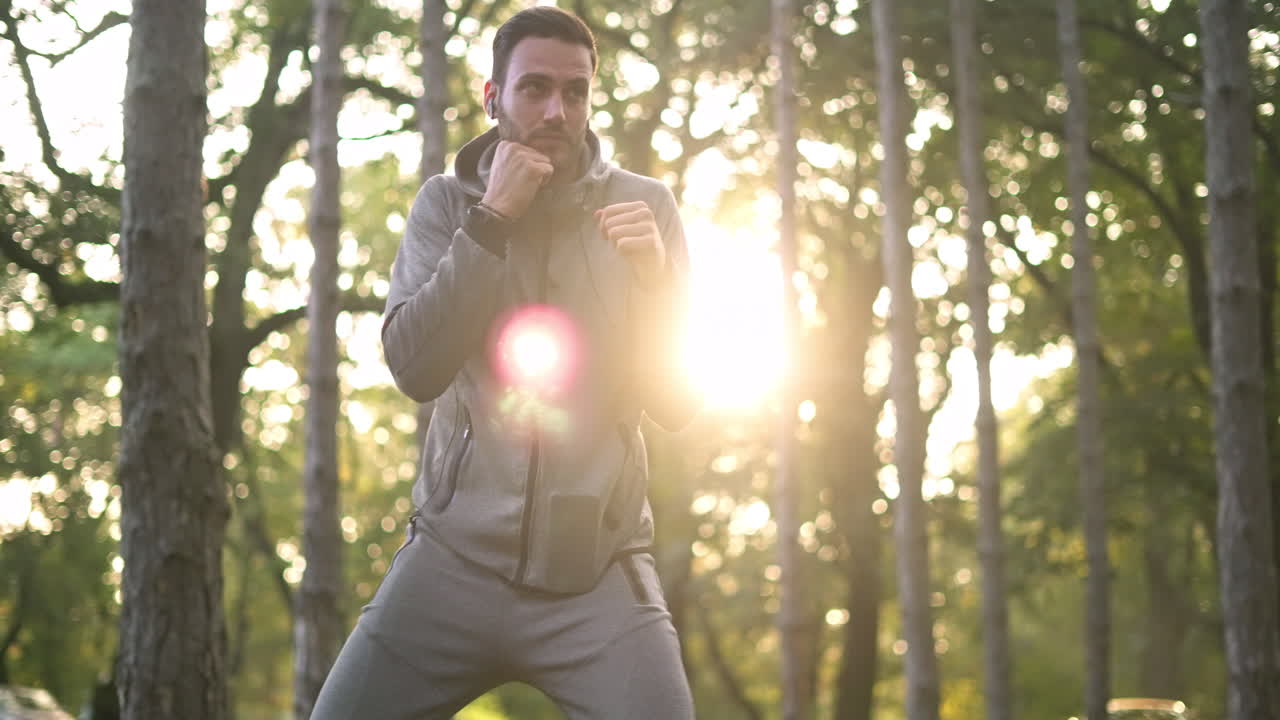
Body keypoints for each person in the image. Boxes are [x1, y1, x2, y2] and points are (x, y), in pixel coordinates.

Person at [310, 7, 699, 719]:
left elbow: (678, 405)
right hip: (451, 564)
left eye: (575, 91)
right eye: (534, 88)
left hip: (599, 577)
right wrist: (490, 222)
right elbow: (415, 368)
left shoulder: (646, 207)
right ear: (493, 98)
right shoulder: (446, 203)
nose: (557, 111)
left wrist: (654, 284)